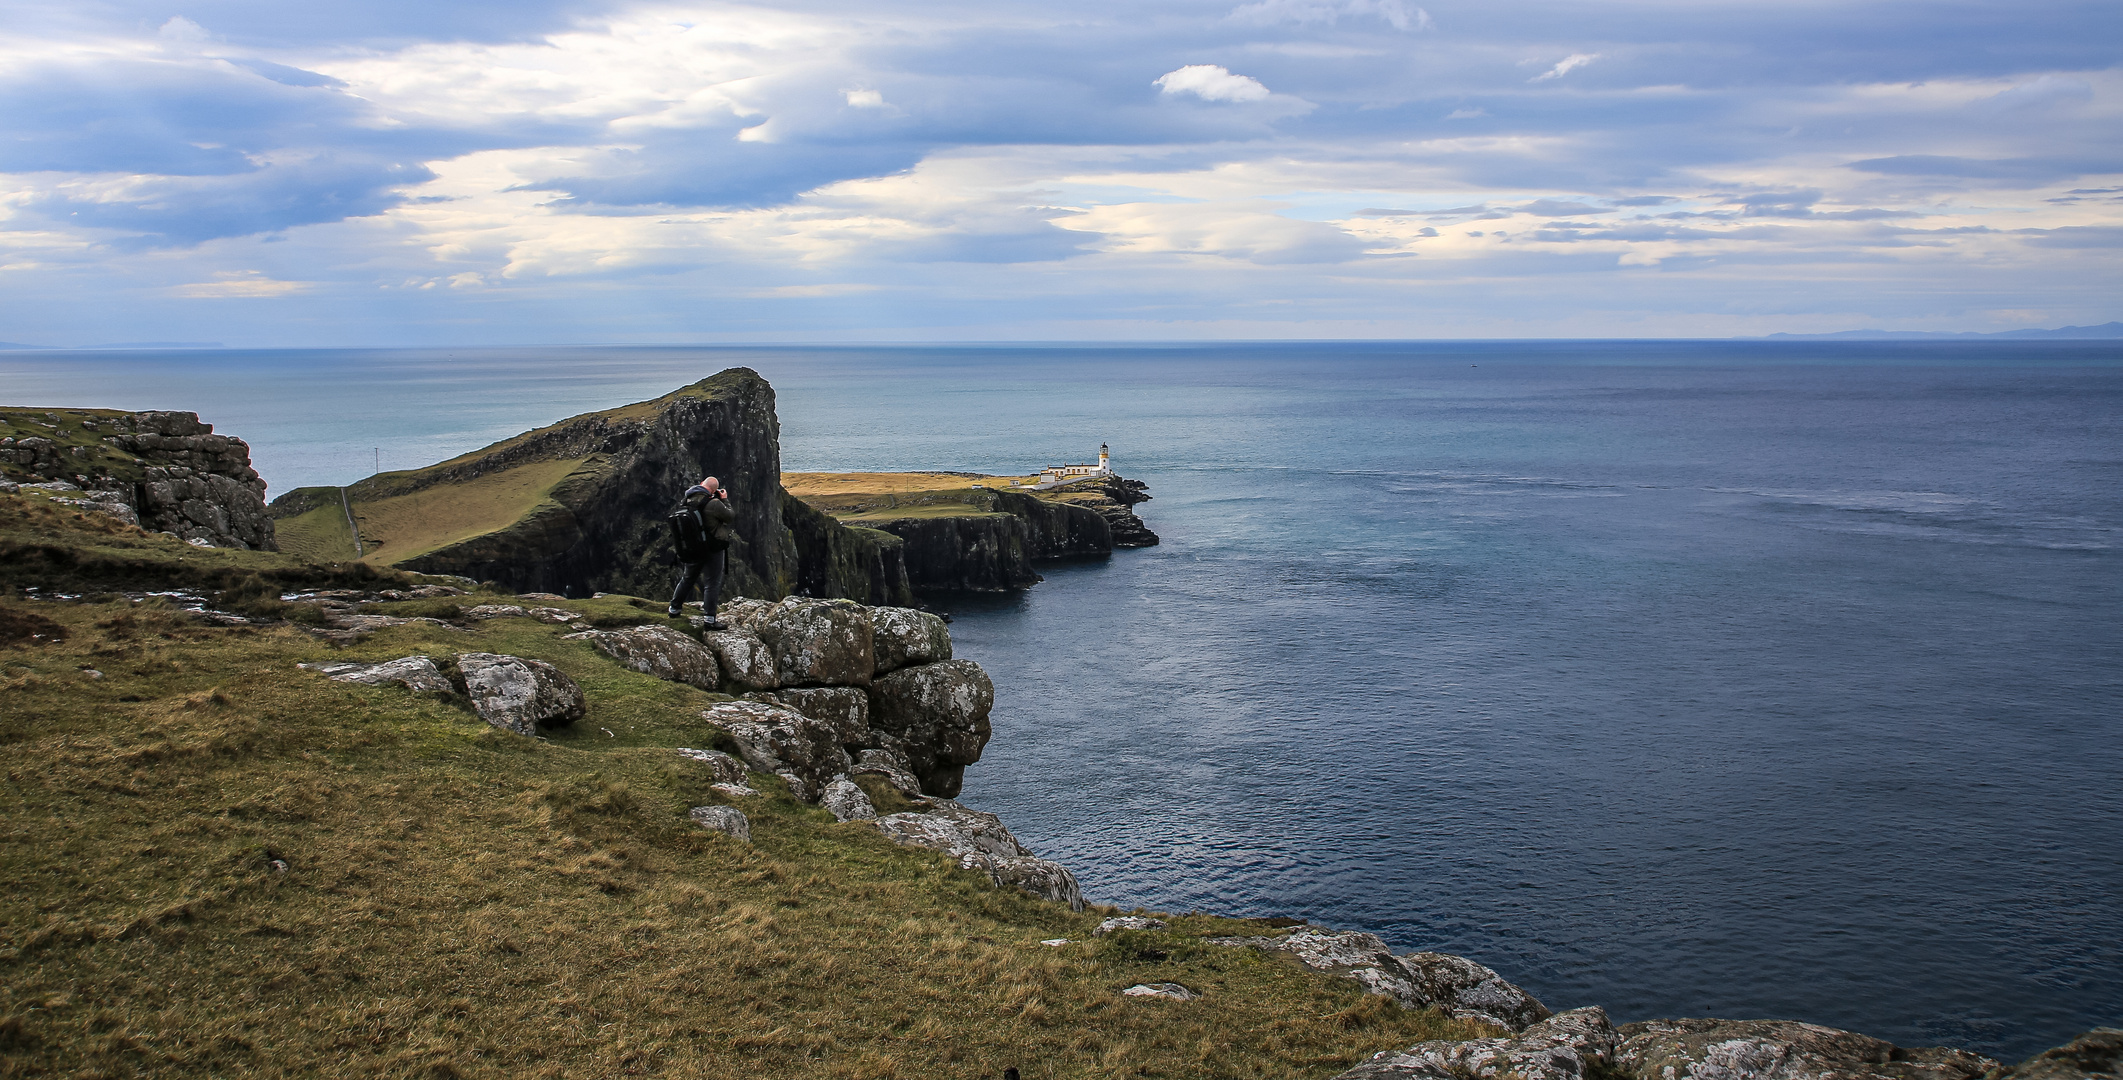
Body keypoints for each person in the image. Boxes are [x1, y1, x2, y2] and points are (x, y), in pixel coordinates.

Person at [668, 475, 736, 626]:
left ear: (700, 484)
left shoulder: (687, 500)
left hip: (692, 547)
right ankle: (710, 619)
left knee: (687, 578)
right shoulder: (714, 503)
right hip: (712, 549)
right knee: (712, 583)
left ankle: (674, 609)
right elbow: (730, 517)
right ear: (714, 491)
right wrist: (724, 499)